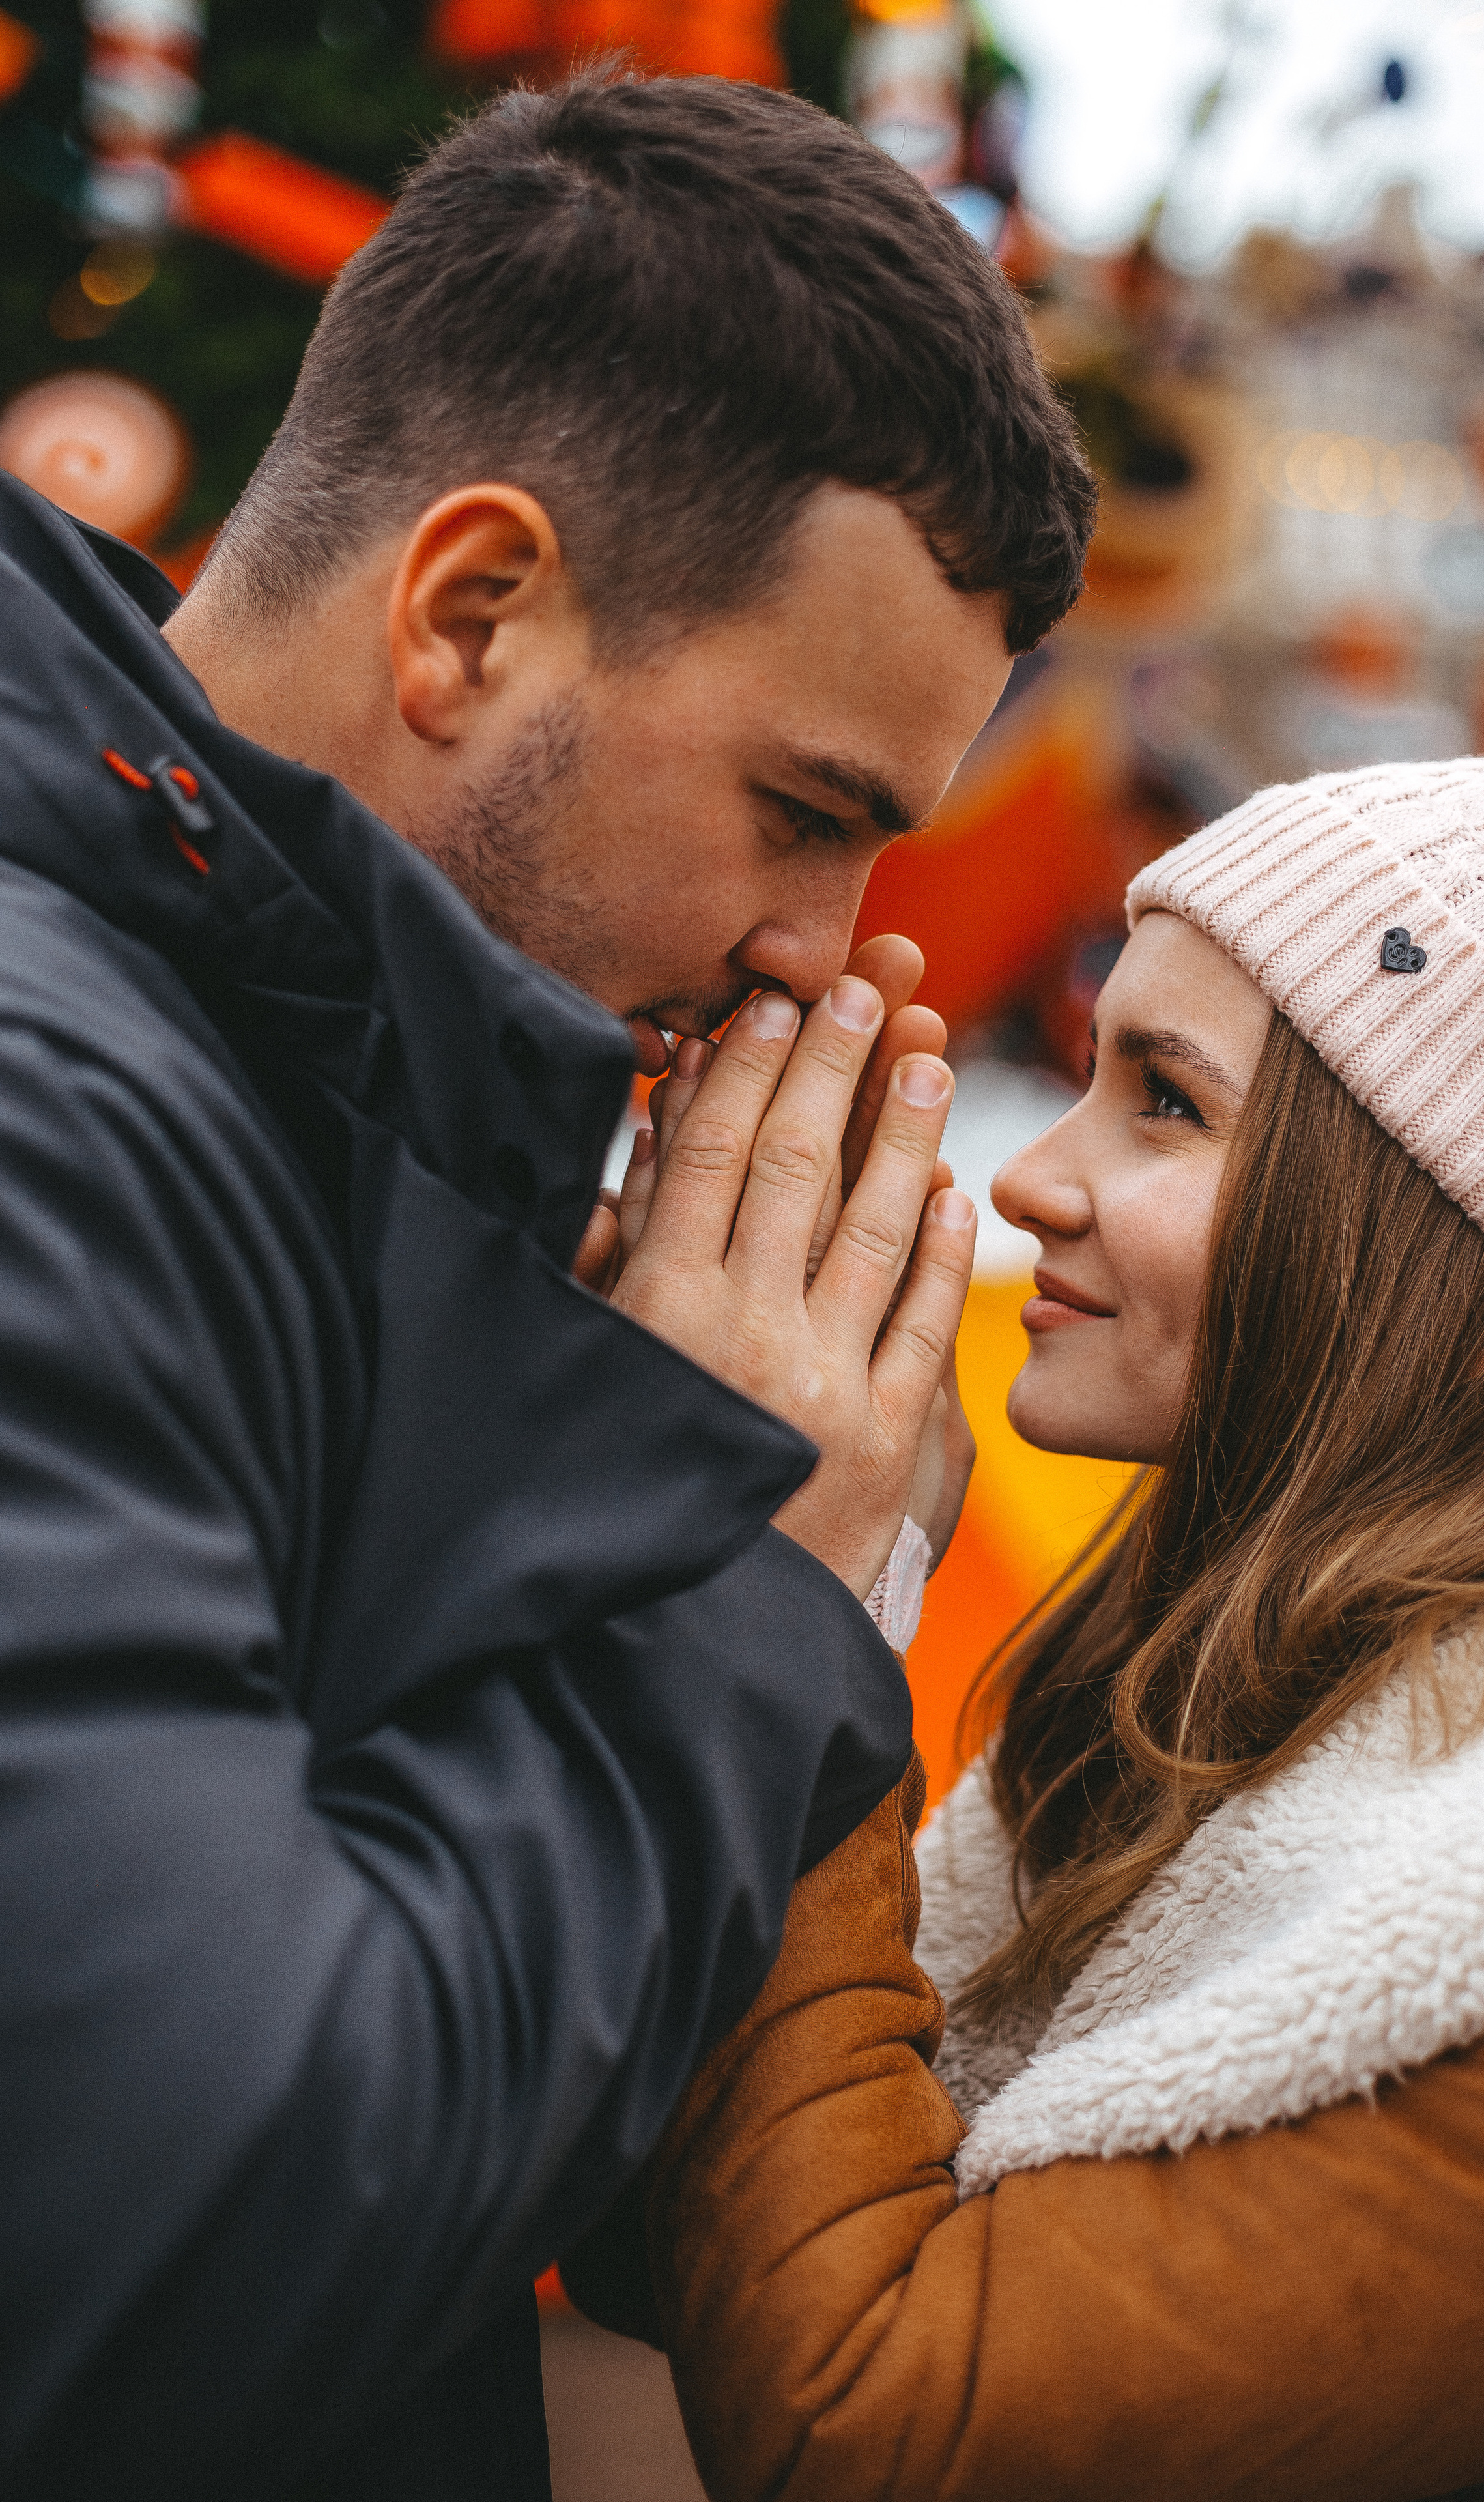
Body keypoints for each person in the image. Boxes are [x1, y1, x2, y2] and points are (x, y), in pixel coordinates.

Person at [0, 70, 1094, 2502]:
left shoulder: (329, 1094)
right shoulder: (51, 1110)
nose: (826, 953)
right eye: (805, 813)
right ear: (471, 611)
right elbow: (178, 2239)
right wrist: (741, 1582)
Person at [574, 756, 1484, 2501]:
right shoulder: (1224, 1673)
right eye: (1094, 1069)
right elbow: (683, 2246)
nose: (1031, 1186)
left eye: (1167, 1103)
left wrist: (780, 1616)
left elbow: (875, 2423)